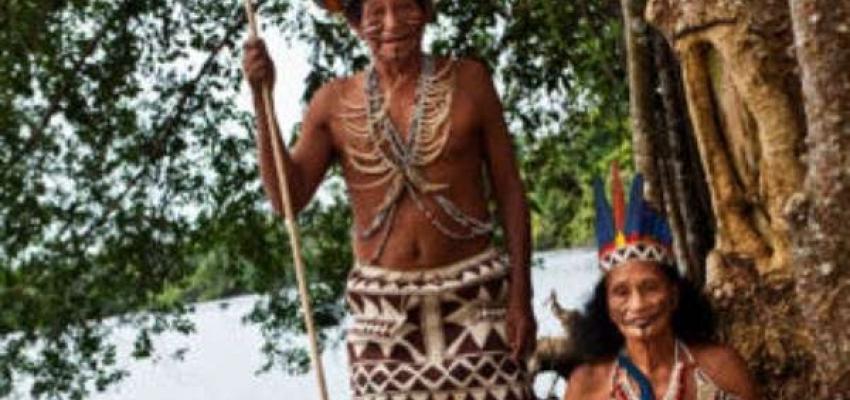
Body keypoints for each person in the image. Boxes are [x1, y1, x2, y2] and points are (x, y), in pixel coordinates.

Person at [242, 0, 535, 398]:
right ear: (356, 23)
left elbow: (510, 190)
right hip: (384, 320)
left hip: (477, 303)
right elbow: (286, 200)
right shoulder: (333, 103)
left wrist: (521, 297)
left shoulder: (470, 82)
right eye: (376, 13)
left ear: (426, 11)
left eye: (403, 7)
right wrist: (262, 101)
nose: (392, 24)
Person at [563, 166, 759, 400]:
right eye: (621, 292)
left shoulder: (722, 369)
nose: (637, 305)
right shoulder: (586, 385)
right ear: (606, 305)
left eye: (650, 288)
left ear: (674, 296)